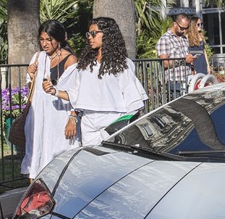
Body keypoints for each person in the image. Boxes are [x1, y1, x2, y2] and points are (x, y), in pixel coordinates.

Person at [43, 17, 147, 146]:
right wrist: (54, 91)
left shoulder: (122, 64)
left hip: (113, 120)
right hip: (88, 121)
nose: (89, 37)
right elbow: (75, 94)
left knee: (113, 160)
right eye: (88, 34)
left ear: (107, 35)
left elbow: (133, 100)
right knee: (91, 160)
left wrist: (121, 125)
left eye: (93, 33)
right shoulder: (85, 65)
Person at [22, 20, 79, 180]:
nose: (45, 44)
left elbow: (77, 92)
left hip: (59, 118)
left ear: (59, 39)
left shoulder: (70, 60)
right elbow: (32, 89)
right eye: (42, 39)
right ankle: (35, 198)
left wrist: (72, 118)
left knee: (60, 159)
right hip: (38, 118)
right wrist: (32, 76)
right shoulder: (38, 57)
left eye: (49, 39)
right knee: (36, 156)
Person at [155, 13, 196, 99]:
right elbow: (165, 64)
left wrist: (192, 70)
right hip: (173, 82)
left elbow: (187, 59)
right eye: (182, 28)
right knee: (176, 110)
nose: (184, 30)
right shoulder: (165, 39)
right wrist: (183, 61)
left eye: (186, 28)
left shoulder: (184, 39)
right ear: (175, 24)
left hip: (187, 80)